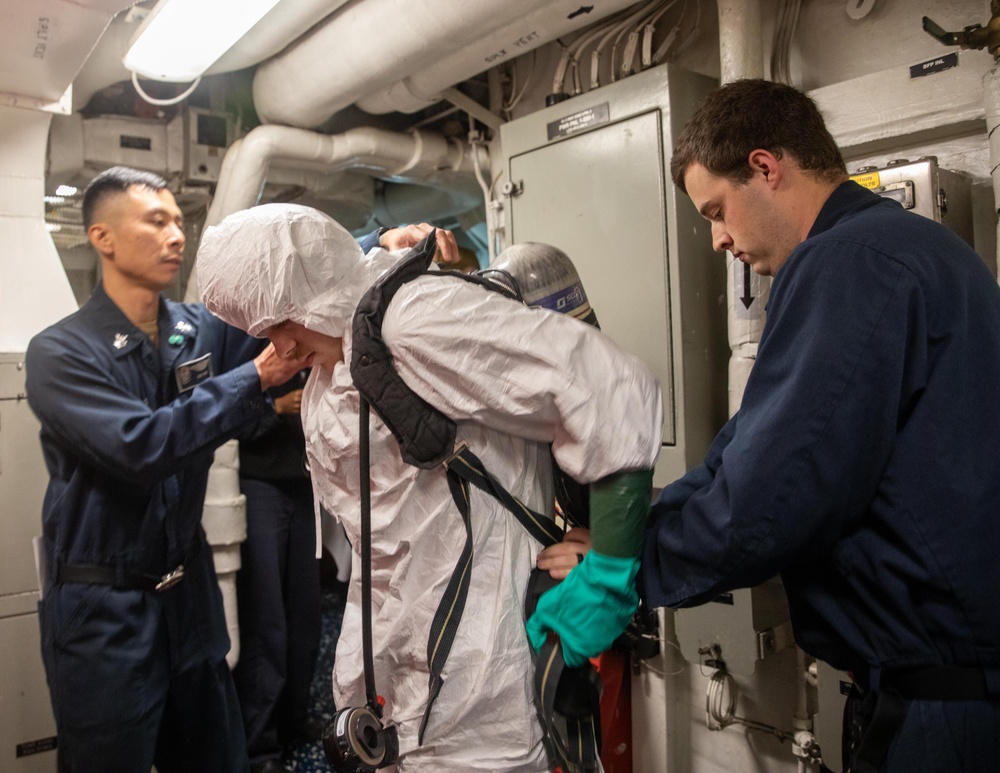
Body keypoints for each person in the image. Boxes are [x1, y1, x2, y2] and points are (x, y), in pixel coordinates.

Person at [196, 203, 662, 771]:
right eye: (262, 333)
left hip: (481, 672)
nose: (280, 349)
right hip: (400, 654)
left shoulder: (414, 319)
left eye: (278, 325)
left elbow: (612, 390)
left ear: (310, 291)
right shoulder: (338, 353)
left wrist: (608, 579)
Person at [24, 165, 456, 773]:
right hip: (105, 609)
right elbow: (139, 447)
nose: (177, 235)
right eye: (156, 221)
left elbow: (282, 301)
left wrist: (373, 246)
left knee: (215, 759)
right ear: (103, 238)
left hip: (187, 597)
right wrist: (254, 378)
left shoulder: (190, 330)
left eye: (179, 221)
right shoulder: (60, 352)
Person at [641, 79, 1000, 772]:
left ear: (766, 167)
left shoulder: (846, 262)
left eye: (717, 210)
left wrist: (628, 561)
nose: (718, 240)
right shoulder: (919, 250)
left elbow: (771, 498)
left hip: (943, 704)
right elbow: (753, 445)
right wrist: (655, 520)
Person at [233, 369, 322, 773]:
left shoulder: (310, 344)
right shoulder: (245, 341)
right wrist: (274, 407)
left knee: (305, 615)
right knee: (265, 618)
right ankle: (259, 744)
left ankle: (294, 718)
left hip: (305, 485)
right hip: (260, 484)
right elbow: (222, 414)